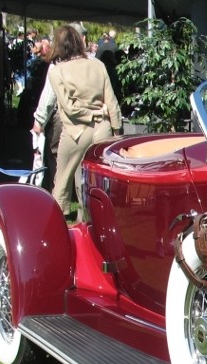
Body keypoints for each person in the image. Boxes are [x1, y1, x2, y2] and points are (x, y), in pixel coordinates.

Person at [40, 24, 122, 220]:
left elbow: (69, 108)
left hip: (75, 132)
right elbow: (112, 102)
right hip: (103, 129)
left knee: (61, 180)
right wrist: (117, 131)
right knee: (93, 180)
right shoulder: (98, 65)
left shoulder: (56, 71)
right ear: (79, 41)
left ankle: (58, 220)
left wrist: (89, 114)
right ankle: (87, 218)